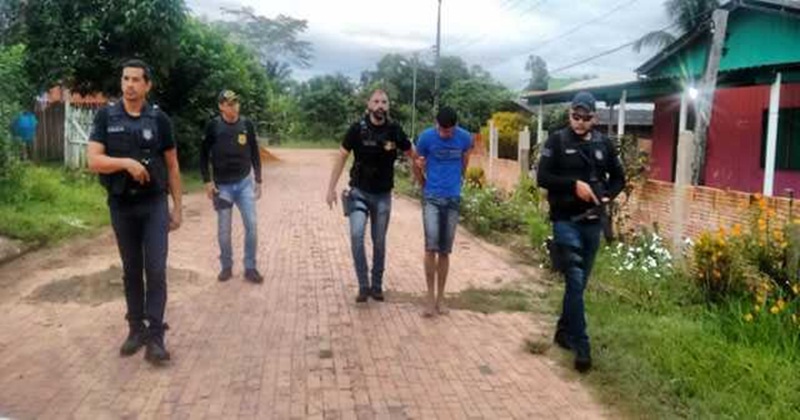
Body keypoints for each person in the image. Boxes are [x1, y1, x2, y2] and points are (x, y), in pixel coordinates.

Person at [87, 59, 182, 365]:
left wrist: (177, 208)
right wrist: (126, 163)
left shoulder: (159, 120)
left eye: (136, 79)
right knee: (131, 269)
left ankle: (155, 336)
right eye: (125, 78)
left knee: (155, 269)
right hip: (122, 205)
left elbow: (172, 166)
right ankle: (135, 329)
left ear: (147, 85)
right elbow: (94, 160)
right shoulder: (106, 116)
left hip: (153, 204)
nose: (129, 84)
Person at [536, 91, 625, 373]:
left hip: (592, 223)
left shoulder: (603, 144)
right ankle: (582, 345)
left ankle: (563, 331)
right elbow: (542, 177)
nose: (580, 122)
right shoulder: (557, 141)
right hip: (565, 221)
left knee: (579, 284)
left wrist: (607, 196)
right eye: (576, 116)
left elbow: (619, 178)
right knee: (574, 281)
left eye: (585, 118)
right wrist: (573, 185)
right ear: (569, 114)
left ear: (594, 118)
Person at [325, 89, 419, 303]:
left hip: (383, 195)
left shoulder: (395, 130)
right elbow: (341, 156)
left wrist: (419, 174)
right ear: (368, 105)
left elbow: (412, 152)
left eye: (384, 102)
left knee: (379, 241)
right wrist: (331, 188)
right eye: (376, 101)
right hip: (358, 192)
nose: (380, 106)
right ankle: (363, 285)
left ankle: (376, 285)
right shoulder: (357, 129)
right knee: (357, 235)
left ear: (388, 106)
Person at [200, 89, 263, 283]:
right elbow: (203, 155)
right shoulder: (213, 126)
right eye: (229, 104)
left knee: (252, 225)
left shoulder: (246, 125)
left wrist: (258, 180)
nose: (234, 106)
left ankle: (250, 267)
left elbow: (255, 153)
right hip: (223, 188)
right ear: (221, 106)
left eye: (235, 102)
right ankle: (226, 266)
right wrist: (207, 181)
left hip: (244, 184)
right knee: (224, 232)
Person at [415, 106, 473, 317]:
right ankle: (429, 298)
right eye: (441, 129)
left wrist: (459, 180)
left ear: (455, 126)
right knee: (430, 247)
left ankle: (441, 298)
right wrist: (423, 182)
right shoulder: (426, 138)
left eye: (448, 131)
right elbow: (416, 162)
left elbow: (465, 159)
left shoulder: (464, 138)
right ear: (436, 124)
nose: (445, 134)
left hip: (452, 199)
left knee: (445, 251)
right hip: (431, 198)